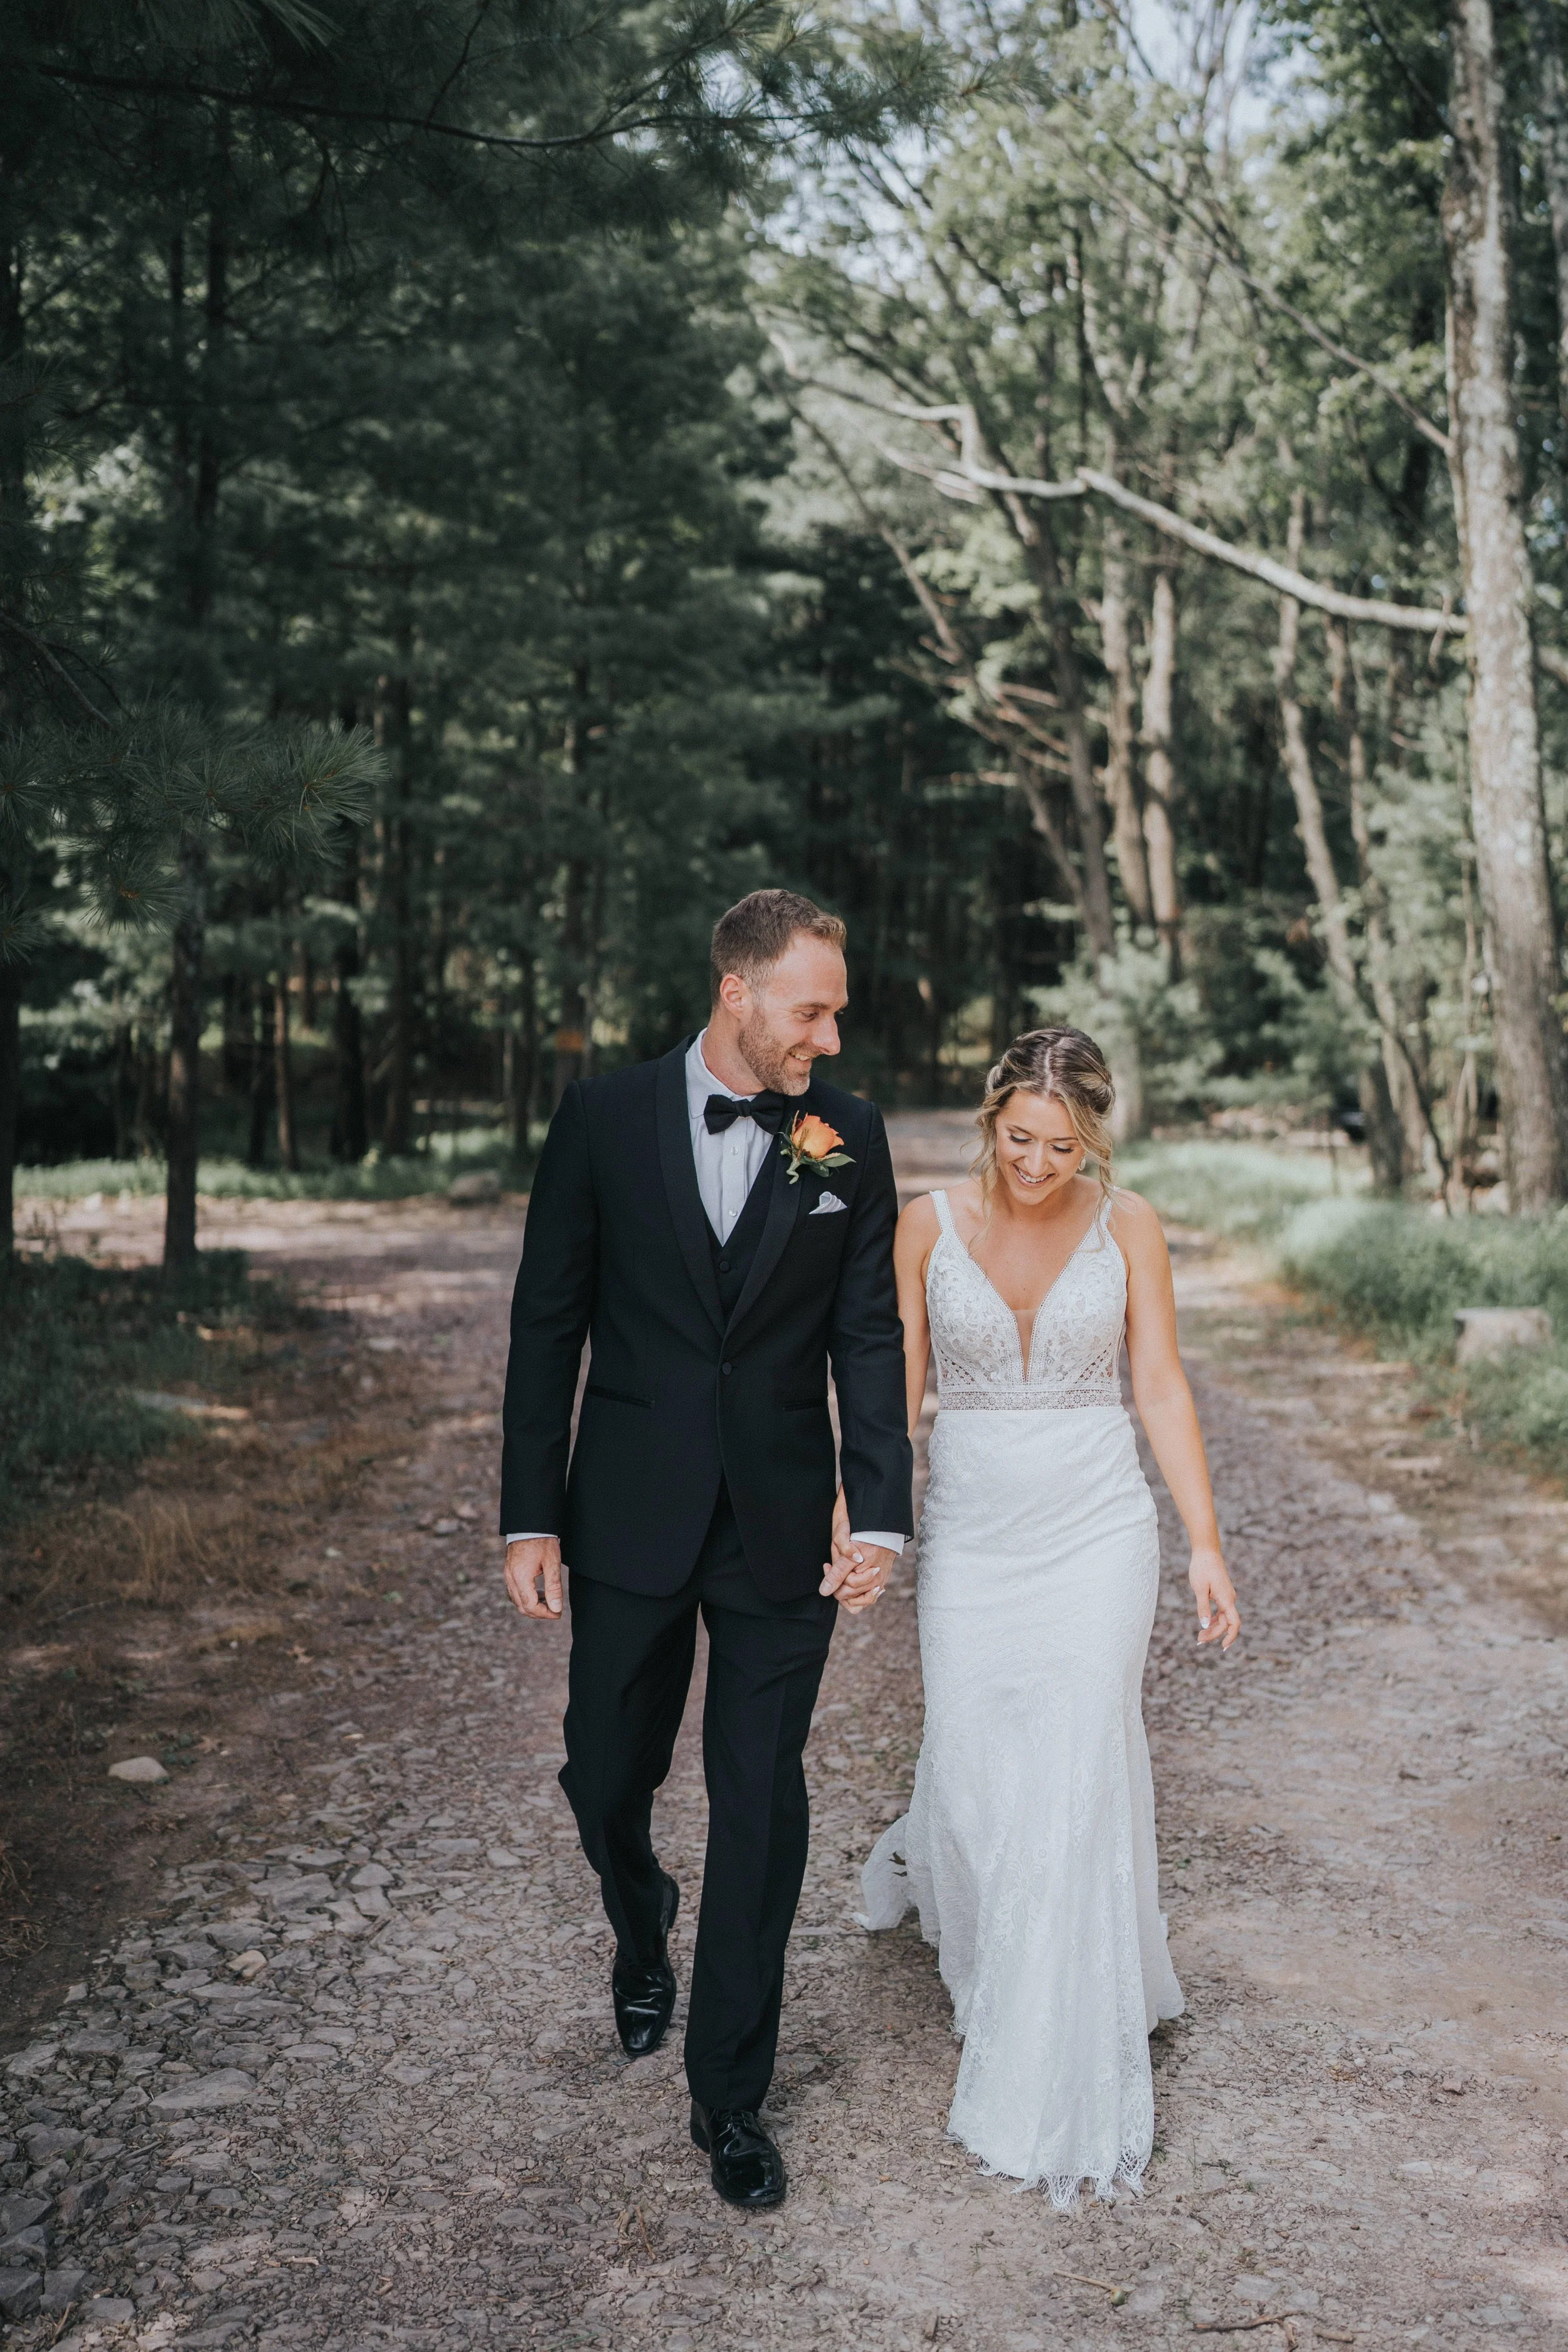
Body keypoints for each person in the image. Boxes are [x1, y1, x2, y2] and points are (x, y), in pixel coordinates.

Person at [499, 890, 913, 2212]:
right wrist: (530, 1510)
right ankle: (637, 1921)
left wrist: (880, 1506)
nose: (829, 1037)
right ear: (736, 993)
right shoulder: (604, 1119)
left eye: (835, 1010)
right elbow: (546, 1323)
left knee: (761, 1800)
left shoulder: (840, 1135)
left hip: (780, 1527)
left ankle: (727, 2096)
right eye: (812, 1009)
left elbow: (863, 1331)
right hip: (628, 1510)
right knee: (602, 1772)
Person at [857, 1025, 1240, 2204]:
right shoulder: (925, 1224)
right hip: (973, 1537)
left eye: (1061, 1144)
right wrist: (861, 1516)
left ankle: (1055, 2035)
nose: (1036, 1163)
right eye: (1018, 1138)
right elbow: (899, 1390)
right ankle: (989, 1959)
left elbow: (1160, 1385)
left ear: (1095, 1136)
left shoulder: (1130, 1227)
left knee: (1076, 1761)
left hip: (1097, 1532)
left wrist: (1205, 1545)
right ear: (989, 1122)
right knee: (973, 1770)